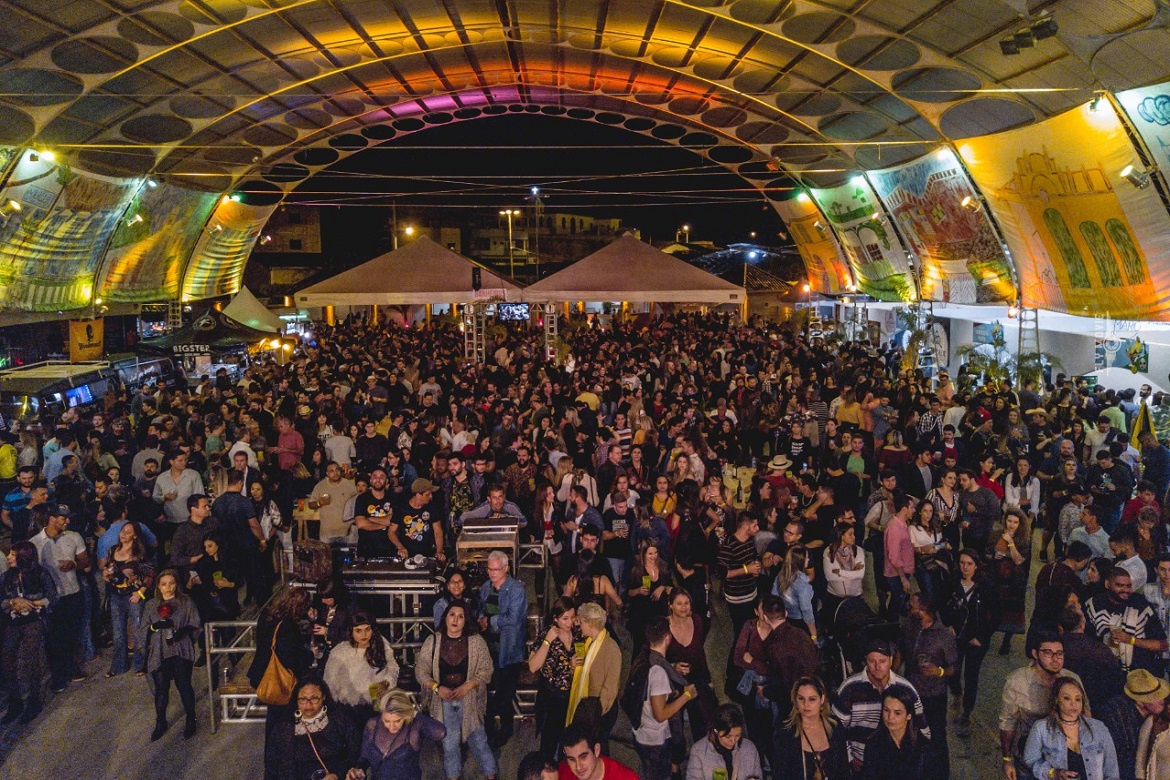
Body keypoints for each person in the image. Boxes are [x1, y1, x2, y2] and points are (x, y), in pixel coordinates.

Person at [415, 600, 497, 780]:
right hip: (443, 700)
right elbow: (421, 671)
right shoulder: (433, 640)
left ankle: (490, 775)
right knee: (450, 742)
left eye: (461, 616)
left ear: (466, 620)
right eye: (452, 614)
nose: (455, 620)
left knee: (479, 739)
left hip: (468, 699)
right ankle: (453, 777)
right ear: (445, 617)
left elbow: (487, 669)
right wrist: (437, 688)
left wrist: (469, 685)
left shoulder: (475, 641)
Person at [833, 638, 930, 773]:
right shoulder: (849, 688)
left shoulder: (905, 688)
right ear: (865, 660)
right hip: (858, 762)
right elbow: (836, 728)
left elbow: (922, 724)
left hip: (896, 761)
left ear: (890, 660)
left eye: (882, 661)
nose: (877, 666)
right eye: (872, 661)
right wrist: (849, 758)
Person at [999, 632, 1082, 780]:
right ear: (1035, 654)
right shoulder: (1018, 682)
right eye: (1048, 653)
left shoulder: (1072, 680)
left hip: (1065, 759)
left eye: (1059, 653)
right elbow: (1008, 723)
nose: (1055, 659)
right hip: (1030, 757)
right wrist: (1007, 760)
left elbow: (1085, 715)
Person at [30, 503, 89, 692]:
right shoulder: (35, 543)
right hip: (52, 598)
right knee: (54, 639)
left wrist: (74, 565)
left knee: (73, 634)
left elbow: (85, 561)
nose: (67, 521)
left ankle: (73, 668)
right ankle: (58, 676)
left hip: (73, 592)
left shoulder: (74, 537)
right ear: (52, 518)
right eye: (63, 518)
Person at [899, 592, 957, 778]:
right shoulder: (908, 627)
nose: (909, 608)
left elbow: (953, 669)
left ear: (924, 611)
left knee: (936, 738)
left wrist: (937, 671)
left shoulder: (944, 636)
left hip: (933, 695)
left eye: (913, 606)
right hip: (911, 692)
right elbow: (900, 652)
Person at [139, 569, 201, 740]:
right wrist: (154, 627)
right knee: (161, 690)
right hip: (159, 651)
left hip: (180, 649)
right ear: (158, 586)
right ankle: (160, 722)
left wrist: (183, 632)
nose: (168, 588)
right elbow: (143, 630)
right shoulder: (151, 605)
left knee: (184, 685)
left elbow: (195, 624)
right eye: (164, 584)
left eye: (172, 583)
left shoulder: (185, 602)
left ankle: (191, 718)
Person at [631, 617, 695, 780]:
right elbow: (660, 714)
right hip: (654, 742)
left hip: (641, 734)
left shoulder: (643, 657)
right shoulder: (658, 672)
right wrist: (687, 695)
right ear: (668, 638)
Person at [250, 587, 315, 743]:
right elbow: (290, 659)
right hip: (280, 680)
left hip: (262, 672)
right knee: (282, 723)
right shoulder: (288, 626)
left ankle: (271, 758)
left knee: (272, 720)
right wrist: (310, 653)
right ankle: (278, 758)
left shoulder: (267, 615)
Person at [1023, 677, 1120, 780]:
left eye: (1078, 699)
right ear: (1057, 700)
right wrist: (1053, 773)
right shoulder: (1041, 728)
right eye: (1067, 698)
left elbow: (1112, 770)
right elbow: (1031, 760)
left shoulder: (1098, 728)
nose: (1073, 704)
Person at [0, 541, 55, 723]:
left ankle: (34, 702)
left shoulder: (39, 574)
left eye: (13, 554)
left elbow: (52, 597)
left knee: (32, 660)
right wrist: (12, 602)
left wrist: (30, 603)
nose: (9, 557)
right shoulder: (7, 576)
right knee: (7, 660)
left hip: (33, 620)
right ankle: (15, 703)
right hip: (13, 621)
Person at [265, 678, 361, 780]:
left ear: (323, 697)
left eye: (314, 698)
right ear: (296, 700)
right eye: (303, 699)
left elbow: (356, 753)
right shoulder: (283, 729)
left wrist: (338, 774)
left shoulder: (340, 721)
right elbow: (272, 767)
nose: (308, 704)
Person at [478, 549, 528, 743]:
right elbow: (479, 609)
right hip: (489, 650)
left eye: (496, 570)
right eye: (490, 569)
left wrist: (489, 621)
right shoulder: (485, 587)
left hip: (509, 652)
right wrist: (481, 619)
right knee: (494, 692)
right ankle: (494, 730)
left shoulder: (517, 590)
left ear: (506, 569)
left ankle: (501, 730)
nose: (492, 573)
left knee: (504, 695)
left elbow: (514, 619)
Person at [346, 688, 447, 780]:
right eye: (386, 721)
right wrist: (358, 770)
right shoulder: (372, 725)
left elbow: (441, 733)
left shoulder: (413, 728)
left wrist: (413, 712)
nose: (391, 726)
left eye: (397, 721)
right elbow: (364, 758)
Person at [1085, 566, 1168, 676]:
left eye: (1129, 586)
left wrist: (1131, 640)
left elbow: (1162, 645)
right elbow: (1087, 642)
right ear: (1107, 584)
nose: (1125, 590)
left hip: (1140, 675)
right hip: (1106, 674)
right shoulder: (1094, 605)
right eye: (1119, 585)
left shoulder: (1140, 605)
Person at [324, 610, 400, 728]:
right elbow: (329, 682)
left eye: (367, 629)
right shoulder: (340, 651)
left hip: (376, 704)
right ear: (351, 631)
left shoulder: (381, 644)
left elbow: (393, 667)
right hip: (348, 708)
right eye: (358, 631)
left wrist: (386, 682)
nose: (364, 635)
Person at [528, 597, 583, 760]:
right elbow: (533, 667)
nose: (569, 622)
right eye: (565, 618)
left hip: (572, 696)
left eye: (572, 617)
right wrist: (547, 642)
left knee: (569, 742)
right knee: (549, 742)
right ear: (555, 618)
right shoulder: (547, 634)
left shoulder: (578, 633)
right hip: (552, 697)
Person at [101, 519, 154, 677]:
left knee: (138, 631)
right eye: (123, 531)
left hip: (134, 595)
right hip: (116, 595)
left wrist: (140, 592)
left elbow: (150, 574)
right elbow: (109, 571)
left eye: (128, 532)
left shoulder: (140, 554)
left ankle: (140, 664)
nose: (124, 534)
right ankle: (119, 665)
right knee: (118, 632)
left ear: (135, 536)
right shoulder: (113, 550)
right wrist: (106, 575)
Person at [565, 601, 622, 748]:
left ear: (590, 623)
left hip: (598, 712)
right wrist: (573, 666)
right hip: (588, 709)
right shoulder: (589, 643)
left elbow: (610, 688)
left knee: (598, 749)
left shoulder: (610, 648)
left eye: (581, 622)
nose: (579, 625)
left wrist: (595, 715)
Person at [1097, 669, 1169, 780]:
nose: (1162, 700)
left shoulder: (1161, 715)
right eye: (1155, 696)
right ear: (1140, 700)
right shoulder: (1116, 713)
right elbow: (1119, 759)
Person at [773, 676, 848, 780]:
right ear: (795, 700)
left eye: (812, 699)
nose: (806, 704)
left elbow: (843, 771)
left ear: (822, 699)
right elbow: (780, 775)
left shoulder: (835, 727)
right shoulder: (786, 732)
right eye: (801, 698)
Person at [860, 687, 931, 780]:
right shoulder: (873, 744)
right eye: (886, 710)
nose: (890, 717)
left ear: (909, 715)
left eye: (897, 713)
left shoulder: (922, 745)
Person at [684, 703, 764, 780]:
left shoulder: (749, 748)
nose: (733, 741)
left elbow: (758, 775)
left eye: (737, 735)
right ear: (716, 730)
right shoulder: (699, 751)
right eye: (728, 736)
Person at [557, 722, 639, 780]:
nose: (578, 767)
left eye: (583, 757)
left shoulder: (626, 778)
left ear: (596, 750)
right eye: (572, 759)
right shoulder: (561, 772)